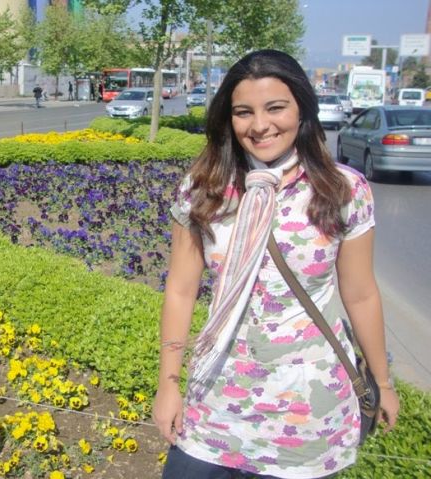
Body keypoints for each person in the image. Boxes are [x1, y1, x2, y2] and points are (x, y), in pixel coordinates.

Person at [153, 49, 399, 479]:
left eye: (275, 108)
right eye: (243, 112)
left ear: (302, 108)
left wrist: (382, 383)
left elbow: (360, 294)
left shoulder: (342, 190)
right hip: (216, 402)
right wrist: (167, 385)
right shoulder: (204, 187)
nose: (260, 125)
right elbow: (180, 289)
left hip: (308, 408)